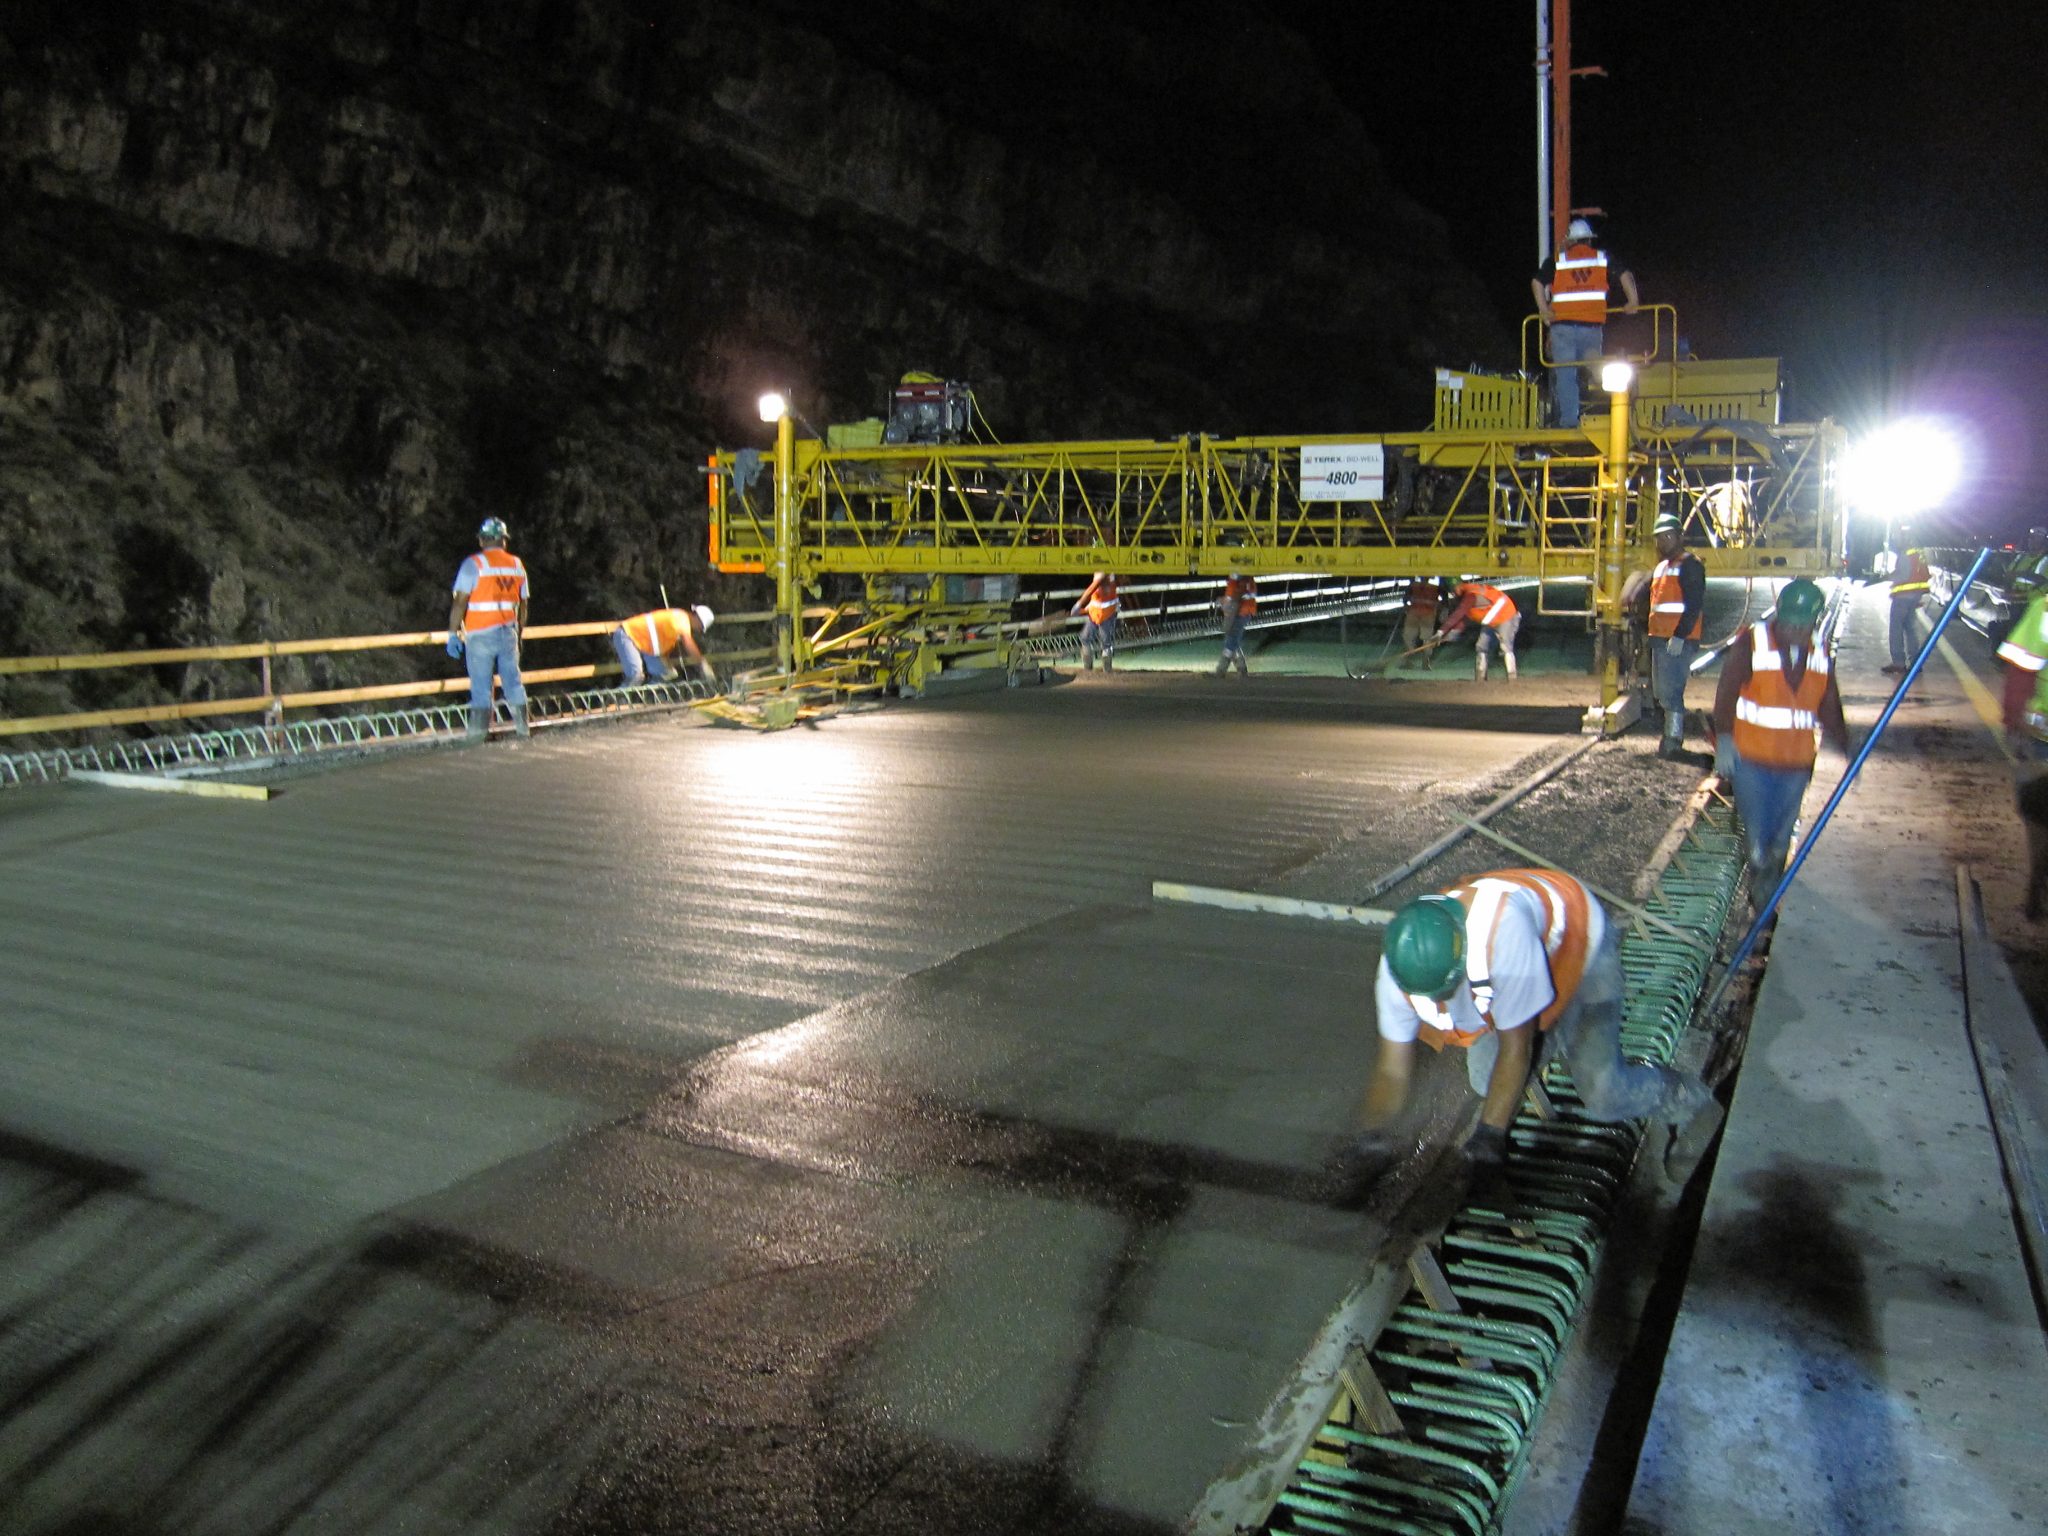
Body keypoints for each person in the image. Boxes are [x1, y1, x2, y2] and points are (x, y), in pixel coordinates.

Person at [1347, 868, 1722, 1206]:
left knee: (1603, 1094)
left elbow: (1516, 1048)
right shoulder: (1399, 966)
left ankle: (1689, 1101)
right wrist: (1372, 1132)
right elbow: (1393, 1069)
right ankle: (1556, 1033)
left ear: (1460, 963)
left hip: (1579, 946)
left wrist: (1489, 1139)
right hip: (1528, 960)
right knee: (1483, 1077)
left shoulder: (1502, 934)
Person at [1710, 578, 1850, 906]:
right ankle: (1760, 883)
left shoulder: (1819, 652)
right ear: (1780, 618)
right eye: (1790, 625)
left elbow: (1830, 703)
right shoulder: (1750, 644)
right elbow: (1726, 694)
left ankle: (1766, 893)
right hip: (1751, 762)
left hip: (1797, 765)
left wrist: (1845, 745)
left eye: (1804, 626)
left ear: (1814, 621)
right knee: (1757, 841)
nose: (1797, 632)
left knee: (1781, 840)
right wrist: (1725, 739)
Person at [1531, 217, 1640, 430]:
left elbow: (1536, 281)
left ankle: (1569, 422)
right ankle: (1619, 406)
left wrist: (1544, 310)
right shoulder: (1602, 258)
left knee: (1566, 375)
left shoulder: (1558, 261)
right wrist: (1633, 301)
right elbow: (1626, 275)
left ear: (1570, 241)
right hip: (1591, 328)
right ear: (1589, 241)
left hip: (1562, 329)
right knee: (1598, 370)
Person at [446, 516, 530, 741]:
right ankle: (523, 730)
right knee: (513, 682)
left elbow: (460, 601)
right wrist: (518, 634)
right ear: (504, 540)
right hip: (508, 632)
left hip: (480, 634)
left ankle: (477, 736)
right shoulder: (516, 565)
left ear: (482, 540)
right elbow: (523, 605)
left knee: (481, 687)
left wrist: (453, 633)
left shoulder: (473, 564)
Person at [1996, 587, 2048, 919]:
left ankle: (2036, 884)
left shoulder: (2045, 610)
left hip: (2042, 736)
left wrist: (2013, 720)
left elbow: (2022, 670)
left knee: (2039, 816)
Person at [1647, 514, 1707, 757]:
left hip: (1677, 640)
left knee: (1671, 691)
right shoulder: (1662, 567)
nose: (1663, 542)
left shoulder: (1689, 565)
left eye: (1668, 536)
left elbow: (1693, 603)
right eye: (1659, 538)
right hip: (1660, 639)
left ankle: (1673, 740)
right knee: (1662, 692)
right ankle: (1670, 737)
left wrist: (1680, 636)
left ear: (1680, 537)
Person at [614, 605, 717, 688]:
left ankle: (646, 699)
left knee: (666, 674)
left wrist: (665, 663)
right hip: (627, 635)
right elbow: (689, 644)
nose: (699, 630)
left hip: (643, 642)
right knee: (635, 675)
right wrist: (702, 663)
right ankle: (617, 705)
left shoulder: (679, 620)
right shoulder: (682, 619)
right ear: (697, 618)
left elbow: (662, 646)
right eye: (701, 627)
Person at [1440, 580, 1520, 682]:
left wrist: (1441, 631)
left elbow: (1459, 613)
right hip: (1491, 621)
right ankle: (1480, 677)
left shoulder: (1471, 595)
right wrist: (1453, 633)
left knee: (1505, 647)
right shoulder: (1464, 597)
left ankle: (1512, 677)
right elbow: (1465, 618)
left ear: (1459, 587)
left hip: (1506, 616)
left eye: (1453, 590)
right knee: (1481, 646)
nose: (1453, 593)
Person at [1882, 546, 1932, 676]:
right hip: (1915, 595)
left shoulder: (1905, 553)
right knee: (1910, 629)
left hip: (1903, 596)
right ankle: (1915, 662)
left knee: (1896, 628)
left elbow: (1903, 575)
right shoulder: (1919, 552)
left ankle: (1898, 663)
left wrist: (1889, 576)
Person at [1073, 572, 1120, 672]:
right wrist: (1084, 609)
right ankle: (1088, 668)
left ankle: (1106, 670)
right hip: (1096, 613)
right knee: (1085, 638)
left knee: (1105, 642)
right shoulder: (1104, 577)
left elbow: (1092, 588)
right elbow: (1096, 596)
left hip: (1106, 613)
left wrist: (1079, 604)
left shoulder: (1105, 575)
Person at [1215, 573, 1256, 677]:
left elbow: (1233, 594)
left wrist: (1227, 601)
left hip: (1239, 612)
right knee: (1233, 641)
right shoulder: (1245, 576)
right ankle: (1241, 669)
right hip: (1239, 612)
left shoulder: (1237, 577)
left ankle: (1221, 670)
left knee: (1231, 641)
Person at [1401, 577, 1445, 667]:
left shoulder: (1414, 585)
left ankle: (1410, 659)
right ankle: (1424, 662)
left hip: (1414, 613)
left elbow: (1405, 598)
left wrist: (1406, 607)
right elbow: (1444, 599)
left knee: (1409, 637)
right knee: (1426, 639)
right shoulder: (1436, 586)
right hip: (1427, 614)